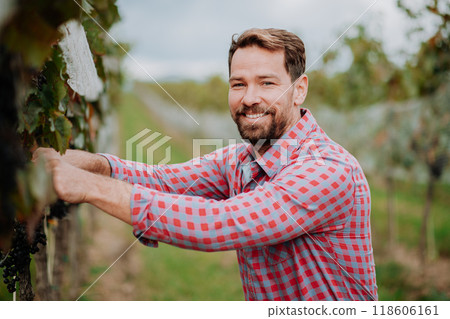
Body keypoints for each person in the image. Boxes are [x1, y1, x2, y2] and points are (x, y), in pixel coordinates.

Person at [34, 28, 377, 300]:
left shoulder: (327, 170)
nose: (250, 98)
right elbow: (163, 181)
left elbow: (221, 223)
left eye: (267, 83)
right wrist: (90, 165)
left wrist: (89, 188)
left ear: (299, 90)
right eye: (238, 84)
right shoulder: (243, 160)